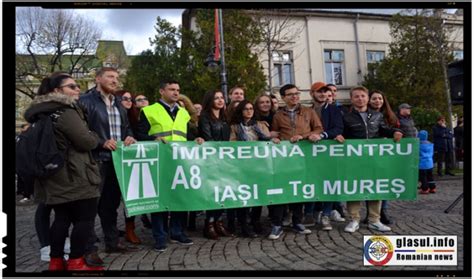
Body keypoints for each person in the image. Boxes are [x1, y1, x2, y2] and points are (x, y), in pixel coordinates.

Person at [24, 72, 103, 271]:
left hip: (54, 175)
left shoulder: (41, 111)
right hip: (75, 174)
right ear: (57, 91)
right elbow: (86, 141)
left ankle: (56, 262)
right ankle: (76, 261)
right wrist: (94, 135)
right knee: (84, 219)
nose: (78, 89)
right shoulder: (65, 111)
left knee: (61, 219)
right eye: (72, 86)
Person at [79, 67, 137, 265]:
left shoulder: (119, 103)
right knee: (89, 207)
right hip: (95, 160)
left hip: (117, 160)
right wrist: (100, 141)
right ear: (97, 79)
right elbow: (80, 131)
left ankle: (112, 242)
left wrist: (129, 137)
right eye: (110, 76)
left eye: (117, 77)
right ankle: (88, 249)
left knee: (110, 205)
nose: (115, 80)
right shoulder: (85, 101)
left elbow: (126, 128)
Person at [136, 80, 203, 252]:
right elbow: (140, 134)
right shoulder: (149, 111)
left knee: (179, 198)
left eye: (178, 90)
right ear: (161, 91)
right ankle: (160, 236)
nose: (176, 92)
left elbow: (185, 135)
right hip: (159, 160)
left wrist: (195, 140)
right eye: (171, 89)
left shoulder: (183, 113)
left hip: (180, 161)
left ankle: (177, 233)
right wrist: (153, 139)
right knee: (160, 200)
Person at [339, 86, 403, 233]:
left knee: (375, 187)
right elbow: (340, 132)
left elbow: (383, 129)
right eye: (356, 96)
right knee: (354, 188)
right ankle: (354, 219)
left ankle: (374, 220)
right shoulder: (346, 117)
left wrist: (396, 131)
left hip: (374, 158)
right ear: (352, 99)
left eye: (362, 96)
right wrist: (338, 135)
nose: (360, 99)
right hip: (353, 159)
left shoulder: (377, 116)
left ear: (367, 98)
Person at [268, 84, 323, 240]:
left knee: (298, 190)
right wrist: (276, 138)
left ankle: (297, 222)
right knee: (280, 190)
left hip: (302, 157)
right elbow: (275, 132)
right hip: (283, 158)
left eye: (297, 93)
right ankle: (277, 225)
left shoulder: (309, 111)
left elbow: (318, 129)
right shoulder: (278, 115)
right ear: (283, 97)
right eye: (290, 94)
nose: (295, 96)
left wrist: (305, 136)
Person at [229, 100, 272, 237]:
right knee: (244, 194)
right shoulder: (234, 127)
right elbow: (232, 144)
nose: (249, 111)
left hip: (259, 165)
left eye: (251, 108)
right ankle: (244, 224)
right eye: (246, 109)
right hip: (242, 166)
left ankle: (255, 221)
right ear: (241, 111)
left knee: (258, 194)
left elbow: (268, 140)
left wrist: (272, 139)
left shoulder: (260, 125)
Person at [307, 82, 345, 231]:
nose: (322, 94)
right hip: (310, 153)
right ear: (312, 94)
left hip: (329, 153)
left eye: (325, 91)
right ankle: (310, 213)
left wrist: (322, 135)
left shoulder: (334, 110)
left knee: (329, 183)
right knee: (310, 182)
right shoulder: (306, 110)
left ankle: (326, 214)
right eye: (319, 92)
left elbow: (338, 128)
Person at [198, 90, 234, 240]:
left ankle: (219, 221)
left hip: (225, 158)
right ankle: (210, 223)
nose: (220, 100)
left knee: (224, 190)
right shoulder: (205, 117)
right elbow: (208, 136)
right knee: (213, 191)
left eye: (221, 98)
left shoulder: (225, 117)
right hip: (211, 159)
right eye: (216, 98)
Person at [368, 90, 400, 225]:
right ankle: (371, 212)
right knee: (369, 183)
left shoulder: (390, 115)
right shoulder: (367, 115)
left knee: (383, 182)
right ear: (369, 100)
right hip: (371, 152)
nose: (377, 101)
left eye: (380, 98)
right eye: (374, 98)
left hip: (386, 153)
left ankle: (383, 210)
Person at [115, 90, 142, 245]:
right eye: (124, 98)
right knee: (110, 200)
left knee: (130, 197)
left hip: (131, 162)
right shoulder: (110, 115)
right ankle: (111, 229)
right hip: (112, 159)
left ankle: (130, 228)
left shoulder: (134, 118)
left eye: (130, 99)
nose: (128, 101)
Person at [16, 123, 34, 203]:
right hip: (24, 162)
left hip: (22, 162)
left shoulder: (21, 137)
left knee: (24, 178)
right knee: (26, 179)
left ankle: (25, 193)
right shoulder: (24, 137)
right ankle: (26, 194)